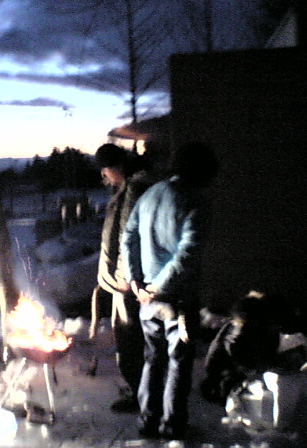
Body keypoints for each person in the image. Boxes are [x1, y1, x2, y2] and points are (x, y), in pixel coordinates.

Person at [121, 141, 218, 439]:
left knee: (153, 358)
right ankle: (172, 425)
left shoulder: (150, 194)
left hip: (146, 299)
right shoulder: (196, 202)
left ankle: (147, 421)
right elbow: (186, 255)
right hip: (177, 299)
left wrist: (136, 282)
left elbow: (128, 238)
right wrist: (157, 288)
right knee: (178, 362)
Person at [90, 143, 155, 412]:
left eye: (105, 170)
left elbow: (129, 237)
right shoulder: (128, 187)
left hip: (126, 281)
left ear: (116, 166)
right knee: (130, 337)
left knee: (129, 339)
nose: (103, 176)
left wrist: (124, 277)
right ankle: (141, 390)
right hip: (123, 279)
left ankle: (140, 395)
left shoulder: (134, 190)